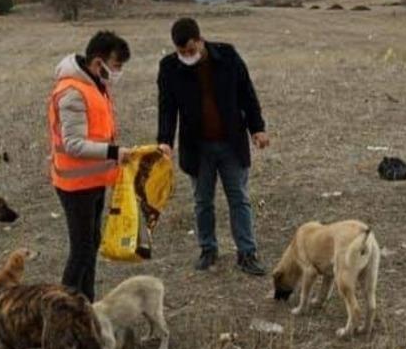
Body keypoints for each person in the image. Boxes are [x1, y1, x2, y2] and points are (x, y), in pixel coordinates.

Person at [157, 17, 269, 276]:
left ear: (200, 40)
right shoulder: (170, 67)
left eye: (191, 50)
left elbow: (247, 94)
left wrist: (257, 128)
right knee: (202, 201)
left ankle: (247, 252)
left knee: (239, 198)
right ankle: (208, 249)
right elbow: (167, 108)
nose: (187, 55)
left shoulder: (228, 56)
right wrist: (164, 140)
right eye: (181, 52)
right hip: (197, 148)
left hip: (231, 143)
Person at [48, 30, 136, 301]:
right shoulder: (72, 92)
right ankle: (62, 310)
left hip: (94, 181)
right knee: (81, 250)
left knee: (91, 245)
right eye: (117, 65)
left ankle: (86, 304)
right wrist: (113, 152)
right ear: (99, 63)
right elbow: (73, 143)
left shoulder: (96, 85)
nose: (118, 72)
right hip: (76, 186)